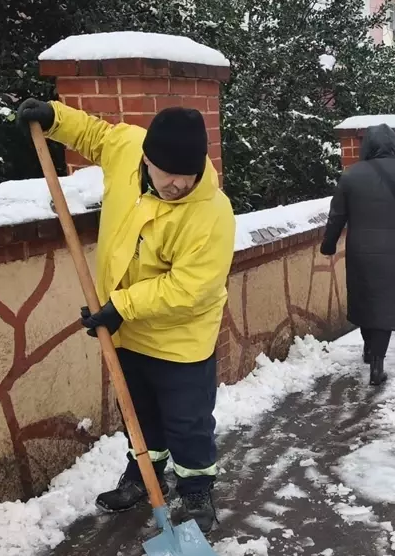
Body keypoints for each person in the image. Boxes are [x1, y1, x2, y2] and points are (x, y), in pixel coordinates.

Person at [16, 98, 236, 532]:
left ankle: (195, 494)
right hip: (126, 330)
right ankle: (142, 478)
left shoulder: (212, 214)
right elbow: (93, 135)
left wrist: (120, 306)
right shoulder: (127, 149)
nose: (176, 185)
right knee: (139, 413)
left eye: (187, 177)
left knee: (188, 423)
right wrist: (54, 118)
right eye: (166, 174)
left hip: (181, 338)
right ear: (147, 160)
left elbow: (190, 288)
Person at [320, 125, 395, 386]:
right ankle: (377, 363)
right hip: (394, 251)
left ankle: (368, 348)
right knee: (386, 304)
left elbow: (336, 215)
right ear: (394, 146)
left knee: (365, 299)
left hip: (360, 251)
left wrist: (328, 244)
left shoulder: (350, 176)